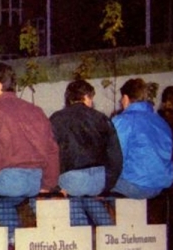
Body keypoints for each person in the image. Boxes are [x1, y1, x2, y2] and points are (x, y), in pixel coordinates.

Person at [0, 63, 60, 202]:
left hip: (8, 181)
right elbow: (52, 150)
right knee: (4, 205)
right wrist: (47, 186)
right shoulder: (36, 111)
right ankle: (11, 224)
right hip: (35, 181)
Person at [49, 79, 123, 225]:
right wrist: (108, 184)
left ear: (69, 99)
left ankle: (82, 236)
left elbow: (49, 153)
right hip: (98, 178)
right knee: (90, 199)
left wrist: (55, 186)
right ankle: (109, 233)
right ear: (87, 97)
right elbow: (115, 155)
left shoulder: (56, 119)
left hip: (71, 179)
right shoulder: (101, 118)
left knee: (75, 201)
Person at [111, 77, 173, 199]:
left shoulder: (122, 121)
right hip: (161, 184)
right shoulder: (161, 121)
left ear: (125, 98)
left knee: (88, 185)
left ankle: (102, 218)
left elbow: (115, 156)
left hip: (136, 184)